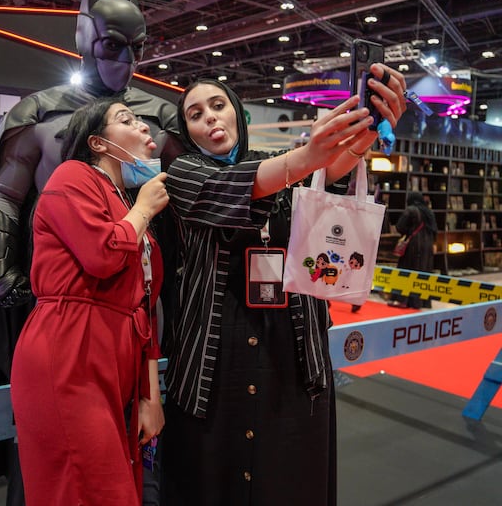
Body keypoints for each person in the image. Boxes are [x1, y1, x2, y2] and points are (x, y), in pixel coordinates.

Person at [0, 0, 180, 501]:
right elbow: (3, 199)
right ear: (85, 37)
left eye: (137, 48)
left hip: (135, 305)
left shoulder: (162, 116)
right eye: (113, 45)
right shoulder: (38, 113)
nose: (126, 61)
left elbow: (195, 197)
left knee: (133, 442)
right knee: (68, 457)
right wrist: (3, 274)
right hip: (67, 306)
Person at [159, 66, 407, 505]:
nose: (211, 118)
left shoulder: (278, 168)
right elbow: (245, 185)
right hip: (214, 355)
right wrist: (311, 155)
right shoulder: (183, 174)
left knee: (289, 478)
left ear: (237, 112)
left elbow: (323, 181)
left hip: (292, 349)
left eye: (218, 106)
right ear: (186, 129)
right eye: (196, 114)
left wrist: (363, 133)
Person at [10, 98, 167, 505]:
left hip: (113, 361)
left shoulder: (125, 202)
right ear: (98, 142)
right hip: (69, 353)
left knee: (105, 486)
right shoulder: (73, 176)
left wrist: (151, 397)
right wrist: (146, 209)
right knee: (90, 489)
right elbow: (103, 255)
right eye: (128, 120)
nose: (145, 129)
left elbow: (145, 308)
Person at [389, 191, 437, 309]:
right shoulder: (429, 212)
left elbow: (400, 227)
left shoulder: (410, 210)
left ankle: (403, 300)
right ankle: (421, 302)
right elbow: (435, 230)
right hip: (427, 246)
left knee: (406, 271)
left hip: (413, 246)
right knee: (423, 273)